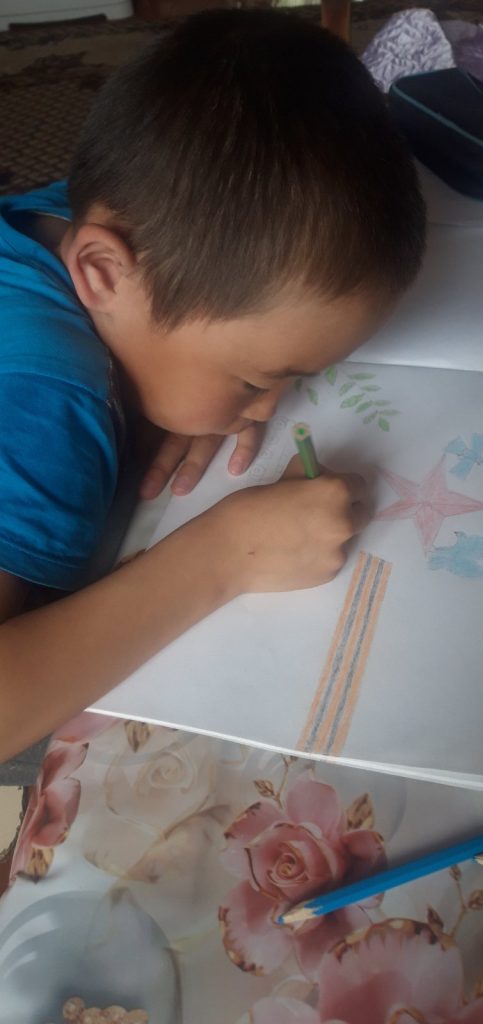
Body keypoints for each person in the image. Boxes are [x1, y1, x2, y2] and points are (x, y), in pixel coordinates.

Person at [0, 8, 425, 769]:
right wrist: (226, 555)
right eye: (256, 379)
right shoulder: (45, 399)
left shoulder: (88, 214)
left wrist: (171, 378)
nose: (263, 409)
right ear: (103, 275)